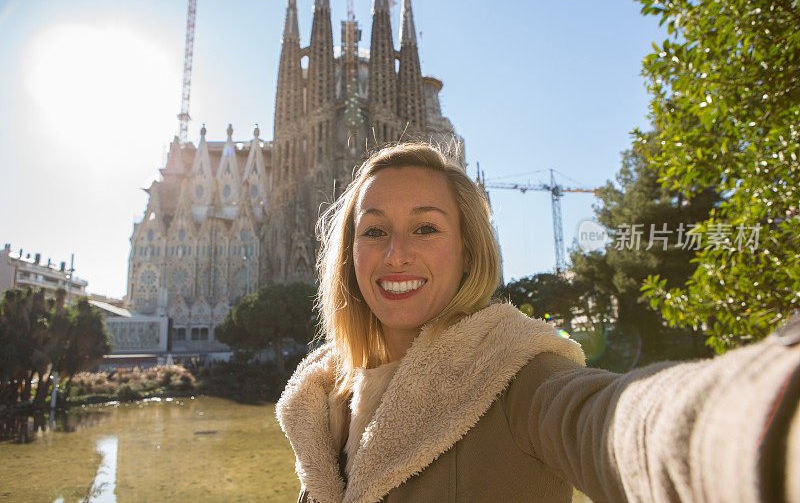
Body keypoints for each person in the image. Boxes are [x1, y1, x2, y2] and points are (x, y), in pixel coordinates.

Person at [276, 143, 800, 503]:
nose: (396, 254)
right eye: (374, 232)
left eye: (426, 227)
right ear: (348, 256)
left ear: (468, 251)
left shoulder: (513, 371)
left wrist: (765, 412)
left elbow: (612, 424)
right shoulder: (323, 403)